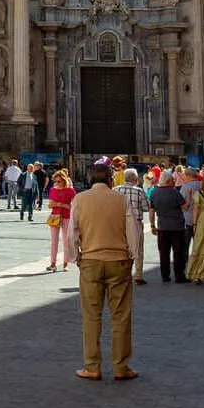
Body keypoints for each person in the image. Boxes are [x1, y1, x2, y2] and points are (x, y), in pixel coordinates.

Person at [69, 161, 137, 381]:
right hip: (119, 261)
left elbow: (72, 232)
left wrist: (75, 257)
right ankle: (121, 367)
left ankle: (92, 366)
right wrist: (133, 256)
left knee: (91, 316)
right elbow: (132, 231)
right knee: (121, 316)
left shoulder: (80, 199)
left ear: (90, 179)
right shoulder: (121, 199)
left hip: (90, 261)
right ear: (110, 179)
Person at [149, 171, 187, 283]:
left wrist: (152, 225)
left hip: (162, 226)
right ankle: (179, 275)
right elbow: (184, 207)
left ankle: (165, 275)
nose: (174, 182)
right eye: (173, 180)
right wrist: (189, 198)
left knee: (164, 252)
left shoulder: (154, 192)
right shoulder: (174, 192)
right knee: (178, 252)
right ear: (169, 181)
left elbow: (151, 211)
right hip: (177, 227)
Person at [115, 168, 149, 286]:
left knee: (121, 249)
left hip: (120, 223)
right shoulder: (139, 191)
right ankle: (138, 275)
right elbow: (146, 207)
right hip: (136, 222)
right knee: (138, 248)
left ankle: (122, 274)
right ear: (135, 179)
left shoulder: (116, 190)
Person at [46, 169, 77, 272]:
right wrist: (60, 204)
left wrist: (60, 204)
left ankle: (65, 264)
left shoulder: (70, 191)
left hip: (66, 217)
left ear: (64, 180)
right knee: (54, 241)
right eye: (55, 181)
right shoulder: (52, 190)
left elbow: (74, 206)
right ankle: (53, 263)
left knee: (66, 241)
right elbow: (50, 205)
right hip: (55, 217)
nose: (57, 183)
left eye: (59, 181)